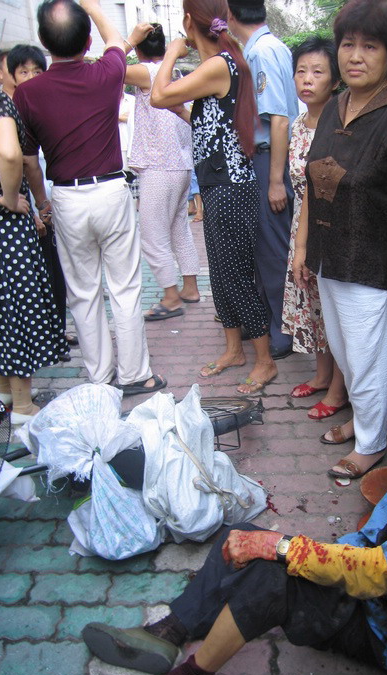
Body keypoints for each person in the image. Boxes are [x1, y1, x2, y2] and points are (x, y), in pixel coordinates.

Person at [83, 350, 387, 675]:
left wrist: (279, 547)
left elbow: (374, 573)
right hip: (369, 579)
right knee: (240, 533)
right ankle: (171, 630)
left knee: (272, 572)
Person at [293, 0, 387, 479]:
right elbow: (314, 181)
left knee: (369, 360)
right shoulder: (335, 106)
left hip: (374, 263)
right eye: (348, 44)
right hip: (329, 258)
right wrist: (302, 248)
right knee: (346, 353)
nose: (355, 56)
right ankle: (361, 421)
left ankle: (372, 444)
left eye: (370, 46)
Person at [12, 0, 166, 396]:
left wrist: (42, 202)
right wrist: (94, 7)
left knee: (83, 293)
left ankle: (99, 377)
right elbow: (115, 41)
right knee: (125, 288)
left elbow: (29, 159)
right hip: (111, 191)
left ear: (44, 41)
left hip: (65, 196)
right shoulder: (106, 73)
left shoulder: (26, 93)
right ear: (86, 42)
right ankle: (135, 375)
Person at [151, 0, 277, 395]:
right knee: (221, 275)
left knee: (235, 275)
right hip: (217, 183)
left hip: (231, 186)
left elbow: (158, 95)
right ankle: (234, 350)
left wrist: (172, 52)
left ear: (189, 20)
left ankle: (266, 361)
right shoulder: (220, 65)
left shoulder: (218, 65)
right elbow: (212, 125)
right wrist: (184, 113)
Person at [0, 15, 67, 424]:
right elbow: (10, 153)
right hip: (3, 226)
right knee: (15, 307)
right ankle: (22, 405)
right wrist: (8, 198)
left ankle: (4, 392)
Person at [280, 37, 348, 421]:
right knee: (312, 304)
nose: (307, 79)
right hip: (300, 227)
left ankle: (339, 389)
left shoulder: (339, 126)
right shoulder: (297, 124)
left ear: (335, 81)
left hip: (330, 229)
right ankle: (322, 375)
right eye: (301, 71)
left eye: (318, 72)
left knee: (333, 310)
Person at [227, 0, 299, 361]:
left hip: (271, 159)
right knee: (267, 247)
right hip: (269, 158)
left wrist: (274, 181)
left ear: (230, 14)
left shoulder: (261, 53)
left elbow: (279, 120)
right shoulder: (268, 47)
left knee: (273, 250)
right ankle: (271, 324)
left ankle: (282, 334)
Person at [123, 22, 200, 319]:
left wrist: (128, 42)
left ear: (140, 48)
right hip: (180, 164)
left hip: (159, 165)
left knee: (153, 235)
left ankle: (171, 297)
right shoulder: (174, 72)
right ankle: (190, 288)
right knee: (179, 228)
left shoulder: (147, 71)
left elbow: (109, 71)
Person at [7, 43, 77, 363]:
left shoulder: (43, 104)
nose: (31, 77)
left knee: (54, 271)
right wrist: (38, 207)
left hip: (49, 198)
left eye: (37, 71)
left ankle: (56, 333)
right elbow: (22, 163)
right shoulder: (6, 111)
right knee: (35, 278)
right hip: (25, 205)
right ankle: (43, 339)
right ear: (11, 75)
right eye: (24, 72)